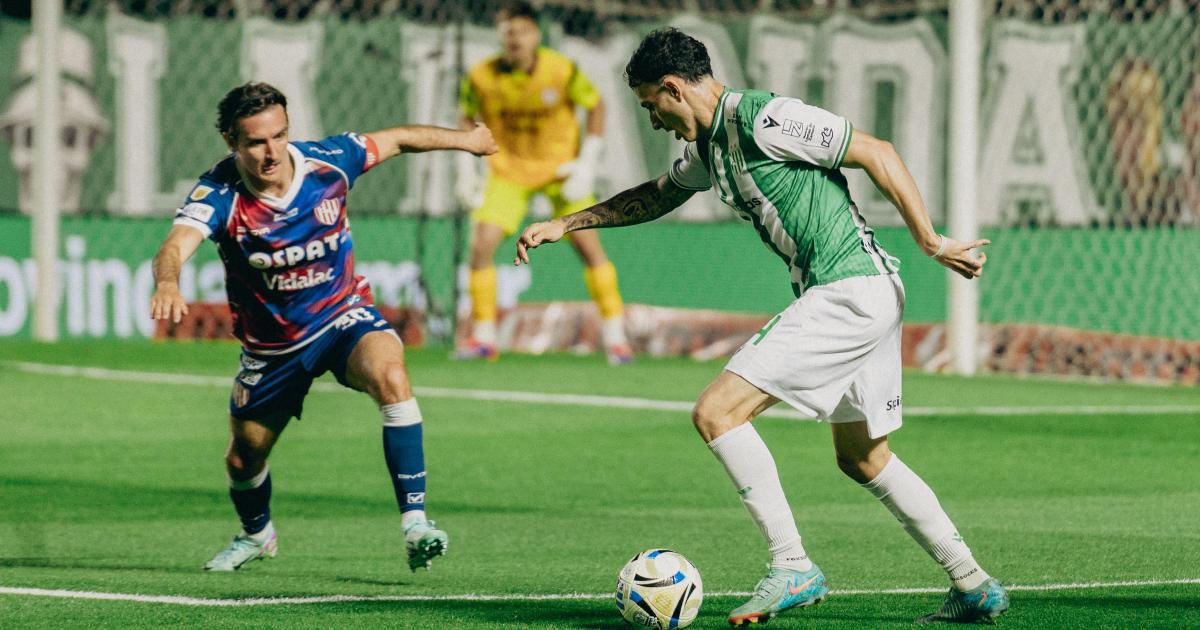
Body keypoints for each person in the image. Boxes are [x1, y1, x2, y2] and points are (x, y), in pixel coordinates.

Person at [515, 28, 1008, 625]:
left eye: (651, 105)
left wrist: (931, 241)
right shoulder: (710, 147)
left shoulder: (765, 120)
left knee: (716, 413)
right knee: (863, 456)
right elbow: (659, 194)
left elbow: (876, 151)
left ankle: (791, 564)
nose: (653, 121)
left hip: (848, 292)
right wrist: (568, 223)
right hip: (864, 293)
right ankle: (972, 582)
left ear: (673, 88)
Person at [150, 82, 498, 573]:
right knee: (243, 459)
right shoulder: (220, 193)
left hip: (341, 317)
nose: (272, 152)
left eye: (279, 136)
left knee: (392, 376)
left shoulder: (328, 162)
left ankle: (416, 524)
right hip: (272, 349)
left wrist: (468, 141)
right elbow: (174, 245)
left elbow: (399, 139)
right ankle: (256, 534)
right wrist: (168, 282)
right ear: (231, 141)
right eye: (256, 142)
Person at [455, 0, 632, 364]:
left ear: (535, 34)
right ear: (499, 37)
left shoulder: (561, 70)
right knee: (481, 247)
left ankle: (616, 337)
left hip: (559, 172)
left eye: (521, 31)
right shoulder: (481, 76)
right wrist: (465, 169)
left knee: (590, 248)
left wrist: (587, 163)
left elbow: (596, 106)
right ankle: (483, 338)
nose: (515, 39)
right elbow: (465, 117)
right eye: (508, 33)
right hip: (509, 172)